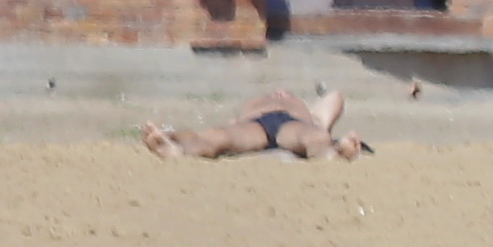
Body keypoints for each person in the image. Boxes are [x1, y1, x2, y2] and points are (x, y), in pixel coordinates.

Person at [140, 84, 365, 161]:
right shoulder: (245, 112)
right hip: (253, 124)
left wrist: (320, 124)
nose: (278, 92)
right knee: (216, 136)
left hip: (293, 125)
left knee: (317, 137)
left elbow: (335, 97)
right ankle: (176, 150)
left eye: (285, 92)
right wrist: (174, 135)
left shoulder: (312, 116)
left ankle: (331, 155)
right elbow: (220, 129)